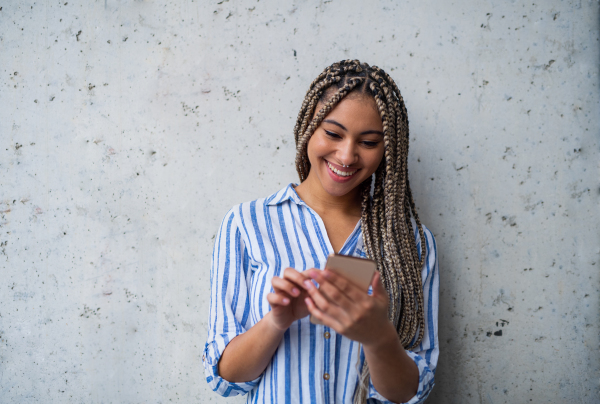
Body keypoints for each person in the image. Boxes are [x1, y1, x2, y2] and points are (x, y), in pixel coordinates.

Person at [203, 60, 439, 404]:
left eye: (369, 142)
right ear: (309, 128)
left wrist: (378, 337)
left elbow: (407, 394)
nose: (346, 155)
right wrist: (276, 321)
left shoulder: (410, 243)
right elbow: (225, 376)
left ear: (387, 150)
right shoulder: (247, 223)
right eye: (332, 133)